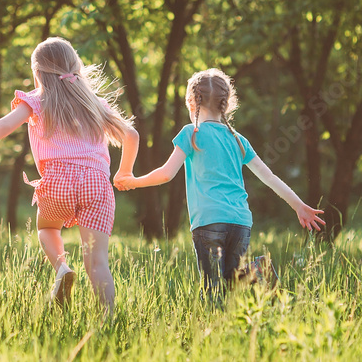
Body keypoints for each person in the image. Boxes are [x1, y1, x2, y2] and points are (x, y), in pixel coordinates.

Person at [115, 68, 324, 299]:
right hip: (240, 222)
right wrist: (298, 205)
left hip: (208, 221)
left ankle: (213, 328)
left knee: (213, 290)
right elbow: (269, 177)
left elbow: (166, 174)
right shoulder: (237, 139)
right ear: (225, 104)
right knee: (230, 281)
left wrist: (134, 181)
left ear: (191, 102)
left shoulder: (191, 134)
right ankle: (256, 270)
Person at [0, 37, 138, 316]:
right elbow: (131, 134)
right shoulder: (94, 102)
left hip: (58, 181)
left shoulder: (36, 100)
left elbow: (3, 126)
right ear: (76, 67)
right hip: (97, 183)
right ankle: (107, 319)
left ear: (37, 74)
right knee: (97, 262)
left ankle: (61, 268)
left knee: (47, 228)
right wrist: (125, 171)